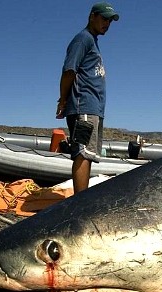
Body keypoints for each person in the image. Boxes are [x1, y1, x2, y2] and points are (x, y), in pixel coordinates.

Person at [55, 2, 119, 193]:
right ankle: (79, 204)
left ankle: (81, 199)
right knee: (82, 153)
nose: (107, 24)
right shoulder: (83, 39)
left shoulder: (93, 41)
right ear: (92, 16)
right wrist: (63, 99)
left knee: (88, 153)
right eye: (104, 19)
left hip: (93, 108)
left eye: (110, 21)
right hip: (84, 106)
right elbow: (69, 71)